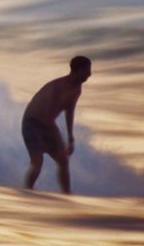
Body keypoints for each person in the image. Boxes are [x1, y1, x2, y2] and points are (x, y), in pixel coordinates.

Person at [21, 56, 92, 195]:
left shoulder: (77, 88)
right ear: (78, 70)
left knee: (64, 161)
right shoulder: (58, 87)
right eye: (87, 70)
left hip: (47, 124)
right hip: (32, 123)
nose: (90, 74)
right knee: (37, 162)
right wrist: (57, 139)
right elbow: (47, 116)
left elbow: (70, 111)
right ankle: (27, 192)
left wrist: (71, 138)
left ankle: (66, 195)